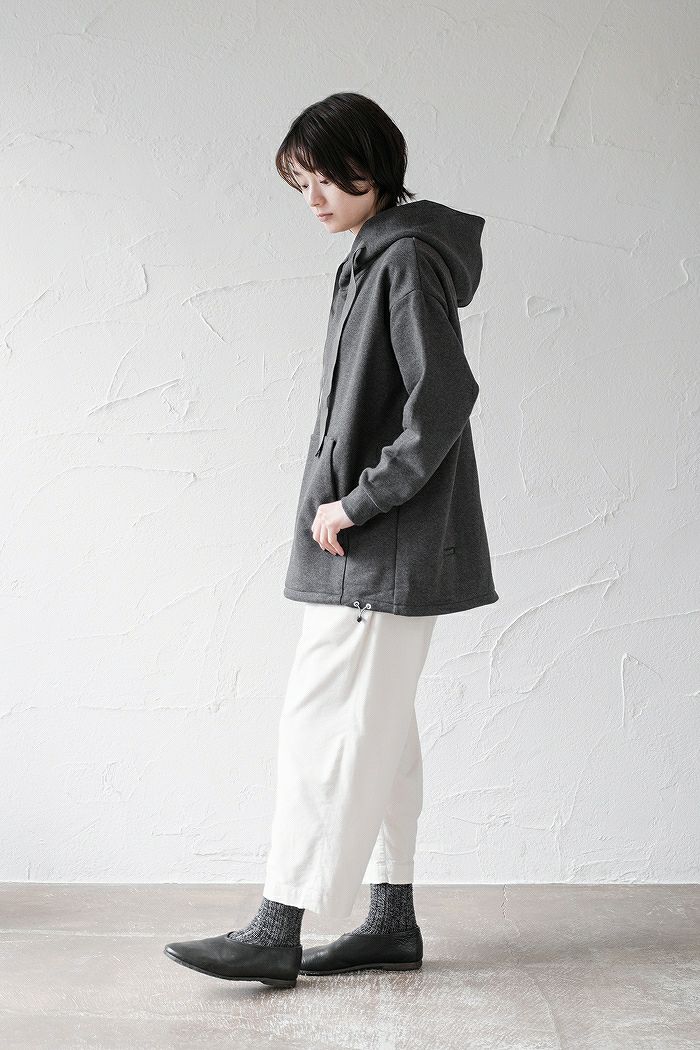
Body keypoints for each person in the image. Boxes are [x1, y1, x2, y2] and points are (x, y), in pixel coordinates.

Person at [164, 92, 499, 989]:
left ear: (370, 168)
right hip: (373, 546)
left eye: (322, 178)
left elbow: (443, 401)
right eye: (300, 182)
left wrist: (359, 501)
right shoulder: (372, 258)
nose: (310, 198)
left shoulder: (405, 260)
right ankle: (391, 920)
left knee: (326, 725)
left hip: (379, 546)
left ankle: (278, 926)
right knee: (384, 734)